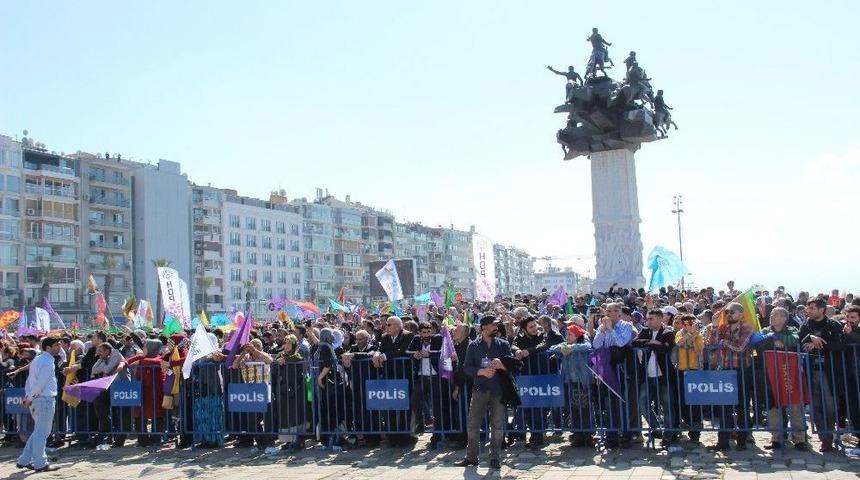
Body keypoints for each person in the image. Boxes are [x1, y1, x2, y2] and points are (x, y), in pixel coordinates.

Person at [455, 315, 512, 469]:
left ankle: (495, 457)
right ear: (484, 328)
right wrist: (481, 371)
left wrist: (502, 365)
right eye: (494, 325)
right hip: (480, 389)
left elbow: (512, 365)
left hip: (498, 390)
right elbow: (466, 367)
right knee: (473, 424)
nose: (496, 328)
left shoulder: (503, 344)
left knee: (497, 425)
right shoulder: (473, 346)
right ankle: (471, 457)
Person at [755, 307, 808, 450]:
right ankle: (776, 438)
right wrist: (773, 340)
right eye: (772, 314)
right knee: (773, 406)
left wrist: (777, 338)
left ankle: (799, 439)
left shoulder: (792, 330)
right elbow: (757, 342)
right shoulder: (765, 331)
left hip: (789, 373)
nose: (772, 316)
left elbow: (794, 340)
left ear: (784, 318)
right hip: (770, 374)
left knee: (795, 406)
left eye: (776, 314)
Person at [706, 302, 754, 451]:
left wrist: (724, 342)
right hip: (726, 370)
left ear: (741, 314)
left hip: (741, 370)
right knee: (724, 406)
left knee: (742, 406)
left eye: (732, 312)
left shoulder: (746, 327)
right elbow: (711, 344)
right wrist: (714, 326)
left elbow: (740, 347)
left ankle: (742, 440)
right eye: (727, 312)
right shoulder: (723, 328)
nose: (728, 315)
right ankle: (723, 442)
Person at [799, 297, 844, 452]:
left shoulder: (833, 325)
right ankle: (824, 438)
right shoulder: (806, 325)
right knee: (815, 406)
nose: (809, 311)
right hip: (811, 371)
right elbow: (799, 340)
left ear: (821, 309)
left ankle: (829, 434)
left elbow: (840, 345)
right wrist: (810, 337)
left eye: (812, 308)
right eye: (808, 308)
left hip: (829, 371)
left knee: (831, 406)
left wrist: (819, 344)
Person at [633, 309, 678, 448]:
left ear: (659, 319)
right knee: (642, 402)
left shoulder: (667, 332)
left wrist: (651, 344)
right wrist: (651, 342)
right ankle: (656, 427)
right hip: (648, 375)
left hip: (664, 375)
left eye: (651, 319)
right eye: (647, 319)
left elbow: (666, 347)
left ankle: (668, 435)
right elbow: (635, 342)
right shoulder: (645, 331)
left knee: (667, 406)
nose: (648, 321)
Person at [16, 336, 62, 472]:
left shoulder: (38, 359)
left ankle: (24, 460)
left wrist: (29, 396)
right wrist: (29, 397)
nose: (59, 347)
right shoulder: (47, 361)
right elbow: (40, 383)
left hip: (38, 399)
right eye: (56, 345)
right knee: (42, 433)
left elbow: (30, 381)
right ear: (48, 347)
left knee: (38, 432)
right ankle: (40, 463)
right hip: (44, 399)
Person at [549, 323, 593, 447]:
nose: (567, 336)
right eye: (566, 334)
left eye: (570, 334)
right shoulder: (565, 345)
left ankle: (587, 435)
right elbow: (552, 348)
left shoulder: (583, 343)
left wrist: (573, 347)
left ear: (577, 335)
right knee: (574, 410)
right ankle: (577, 435)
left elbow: (588, 346)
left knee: (585, 409)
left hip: (582, 382)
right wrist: (562, 348)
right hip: (570, 382)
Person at [674, 313, 704, 443]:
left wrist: (693, 336)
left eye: (691, 323)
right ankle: (685, 422)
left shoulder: (699, 335)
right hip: (682, 370)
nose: (689, 325)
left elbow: (699, 349)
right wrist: (690, 335)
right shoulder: (679, 333)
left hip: (694, 370)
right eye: (686, 323)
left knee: (695, 400)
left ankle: (695, 430)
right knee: (682, 399)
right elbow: (679, 343)